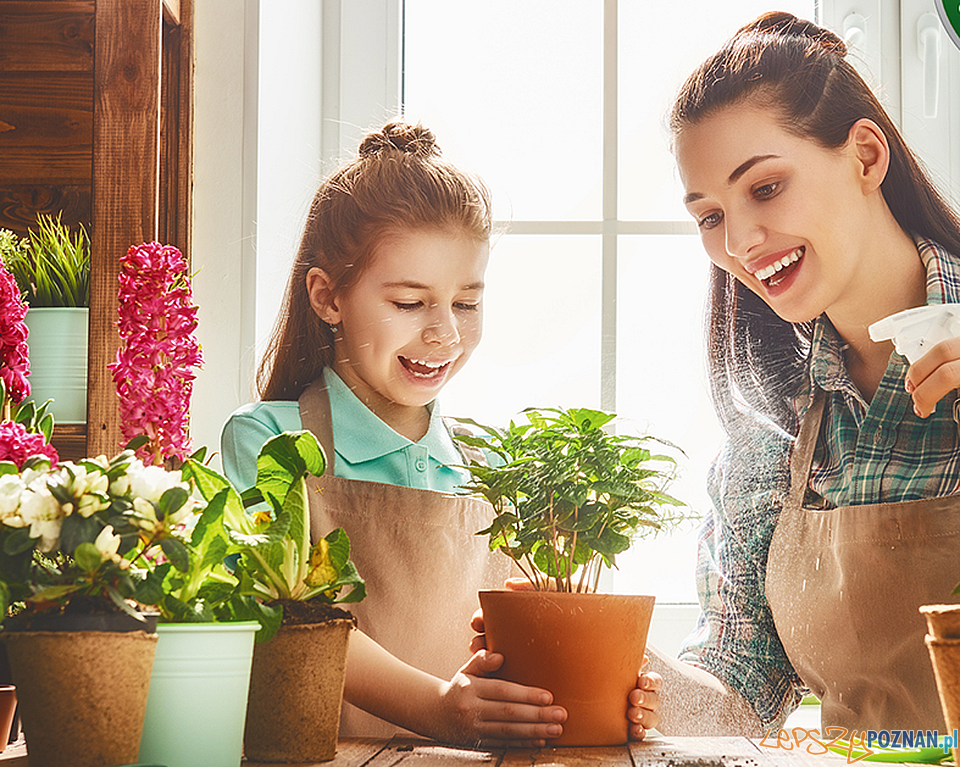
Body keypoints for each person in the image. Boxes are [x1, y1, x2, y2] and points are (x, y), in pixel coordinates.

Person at [221, 121, 657, 745]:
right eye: (409, 303)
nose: (445, 334)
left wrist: (608, 684)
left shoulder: (487, 469)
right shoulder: (269, 438)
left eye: (466, 303)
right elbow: (288, 617)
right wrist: (439, 708)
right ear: (327, 297)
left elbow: (518, 654)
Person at [641, 11, 960, 735]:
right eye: (710, 215)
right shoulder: (768, 440)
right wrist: (601, 651)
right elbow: (736, 692)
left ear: (867, 157)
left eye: (765, 188)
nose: (741, 242)